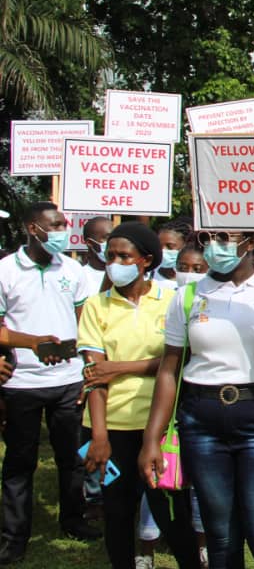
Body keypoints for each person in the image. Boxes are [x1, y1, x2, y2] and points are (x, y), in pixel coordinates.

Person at [139, 230, 254, 568]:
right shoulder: (188, 295)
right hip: (200, 423)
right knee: (221, 540)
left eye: (224, 237)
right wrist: (152, 439)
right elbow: (169, 369)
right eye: (209, 236)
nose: (214, 245)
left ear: (249, 241)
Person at [77, 221, 200, 569]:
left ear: (146, 260)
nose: (115, 261)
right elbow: (94, 376)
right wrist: (99, 437)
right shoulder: (95, 306)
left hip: (160, 427)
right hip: (109, 429)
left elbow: (179, 360)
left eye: (124, 256)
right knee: (116, 511)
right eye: (110, 255)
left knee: (170, 511)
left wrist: (120, 367)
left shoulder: (171, 301)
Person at [0, 202, 100, 565]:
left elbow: (83, 321)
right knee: (19, 462)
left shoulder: (72, 269)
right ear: (32, 228)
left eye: (63, 224)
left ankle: (73, 520)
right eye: (55, 225)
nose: (62, 229)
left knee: (71, 458)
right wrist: (31, 343)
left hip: (68, 380)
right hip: (21, 382)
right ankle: (14, 536)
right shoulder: (6, 270)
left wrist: (87, 370)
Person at [154, 220, 192, 290]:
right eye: (159, 245)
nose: (163, 250)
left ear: (185, 246)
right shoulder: (148, 275)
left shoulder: (195, 280)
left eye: (169, 246)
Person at [81, 216, 112, 294]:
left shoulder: (125, 274)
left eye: (113, 237)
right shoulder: (80, 275)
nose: (111, 242)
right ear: (90, 243)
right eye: (106, 238)